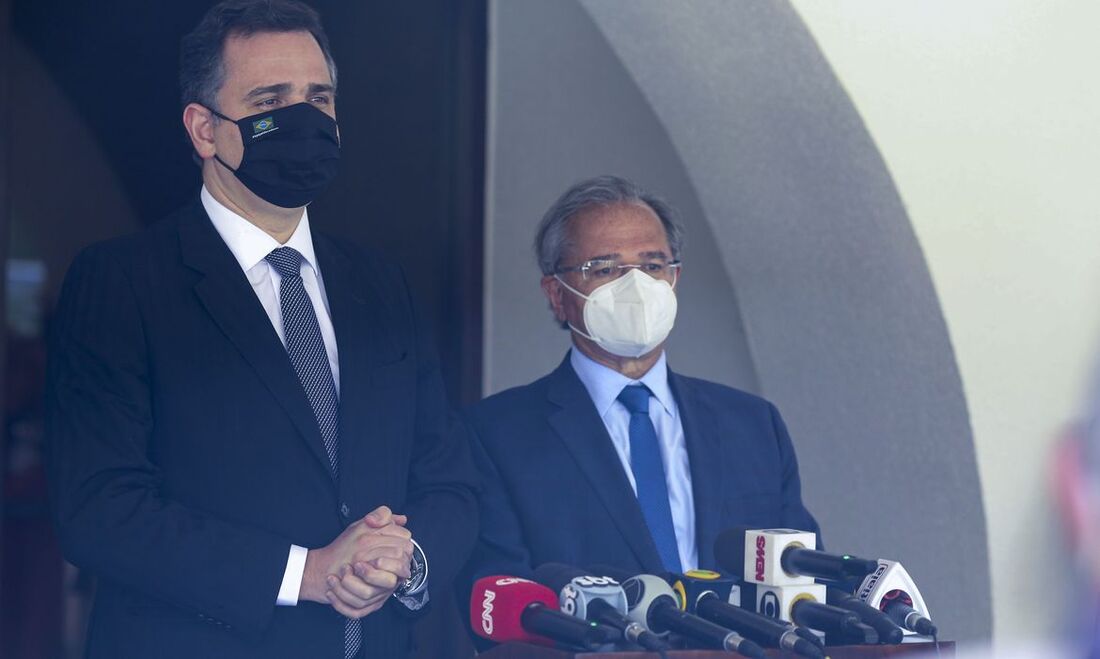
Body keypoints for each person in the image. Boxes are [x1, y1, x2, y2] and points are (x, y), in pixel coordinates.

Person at [44, 1, 478, 657]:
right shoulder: (121, 282)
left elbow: (450, 478)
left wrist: (405, 559)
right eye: (272, 101)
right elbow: (100, 510)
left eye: (319, 97)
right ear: (204, 129)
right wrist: (307, 571)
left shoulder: (380, 284)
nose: (303, 120)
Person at [464, 175, 818, 585]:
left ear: (674, 280)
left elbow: (803, 579)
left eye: (652, 266)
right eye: (604, 268)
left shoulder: (753, 424)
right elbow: (498, 595)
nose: (636, 287)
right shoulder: (496, 434)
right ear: (557, 295)